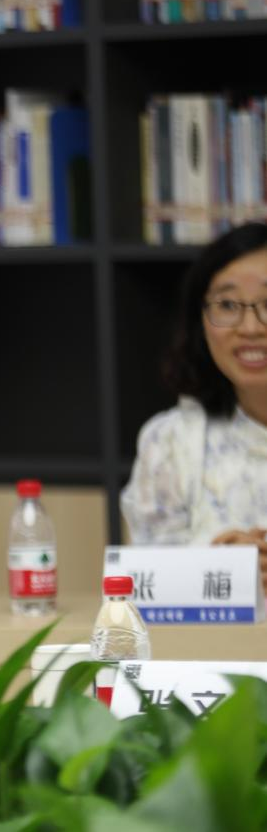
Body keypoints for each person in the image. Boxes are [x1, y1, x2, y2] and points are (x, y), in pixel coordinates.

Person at [122, 222, 267, 592]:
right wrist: (221, 565)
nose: (251, 328)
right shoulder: (170, 442)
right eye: (228, 305)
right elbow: (145, 586)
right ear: (200, 322)